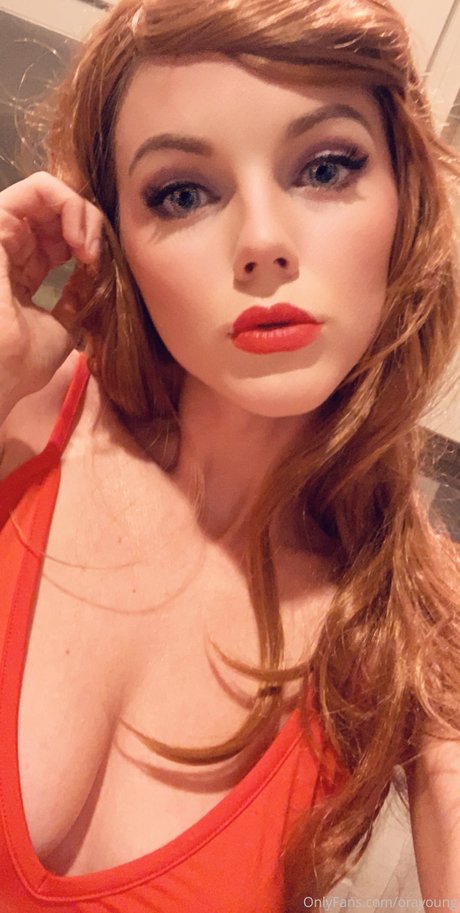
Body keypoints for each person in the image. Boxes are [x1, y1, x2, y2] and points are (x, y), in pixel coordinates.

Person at [0, 0, 459, 909]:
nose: (261, 243)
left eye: (325, 167)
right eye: (181, 192)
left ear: (406, 199)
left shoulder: (421, 618)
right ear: (114, 233)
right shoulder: (21, 421)